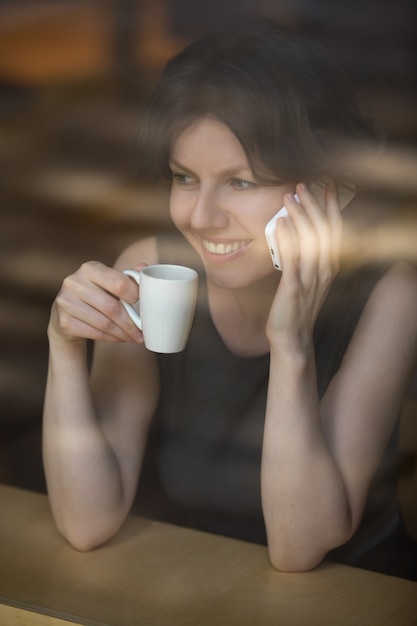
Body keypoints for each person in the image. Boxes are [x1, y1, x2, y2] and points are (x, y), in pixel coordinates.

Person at [42, 20, 417, 579]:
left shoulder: (391, 296)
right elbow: (86, 522)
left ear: (323, 187)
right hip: (204, 579)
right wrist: (64, 346)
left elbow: (301, 546)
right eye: (184, 177)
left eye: (241, 182)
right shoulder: (150, 269)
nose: (200, 216)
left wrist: (290, 345)